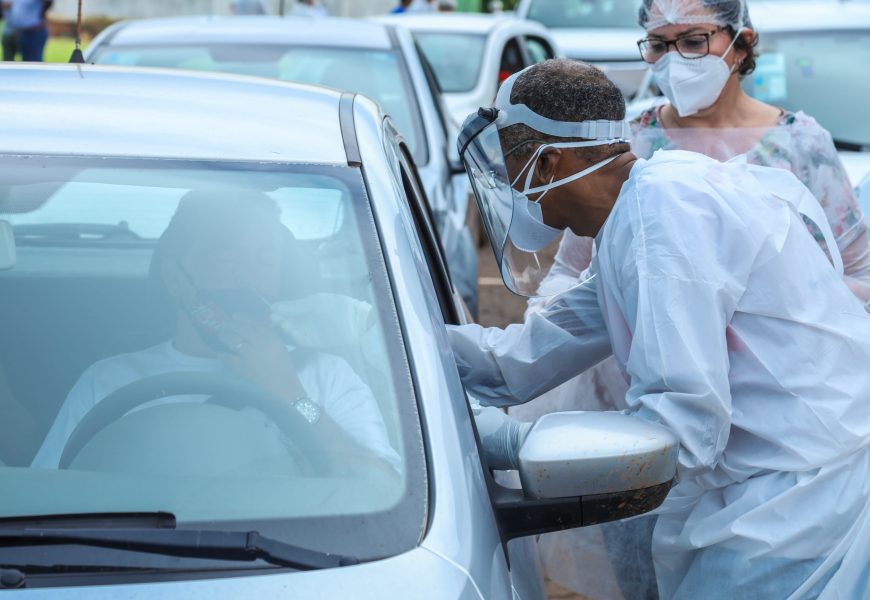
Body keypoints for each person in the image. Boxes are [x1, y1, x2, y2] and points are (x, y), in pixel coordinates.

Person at [450, 58, 870, 598]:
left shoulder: (663, 214)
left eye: (510, 169)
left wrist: (517, 444)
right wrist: (409, 346)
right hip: (771, 492)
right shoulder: (640, 209)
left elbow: (685, 429)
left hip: (796, 502)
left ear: (549, 161)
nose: (509, 189)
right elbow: (529, 355)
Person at [31, 189, 400, 474]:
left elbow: (380, 486)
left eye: (265, 259)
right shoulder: (109, 381)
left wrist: (290, 393)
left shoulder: (327, 375)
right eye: (227, 256)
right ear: (176, 279)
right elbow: (48, 497)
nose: (248, 275)